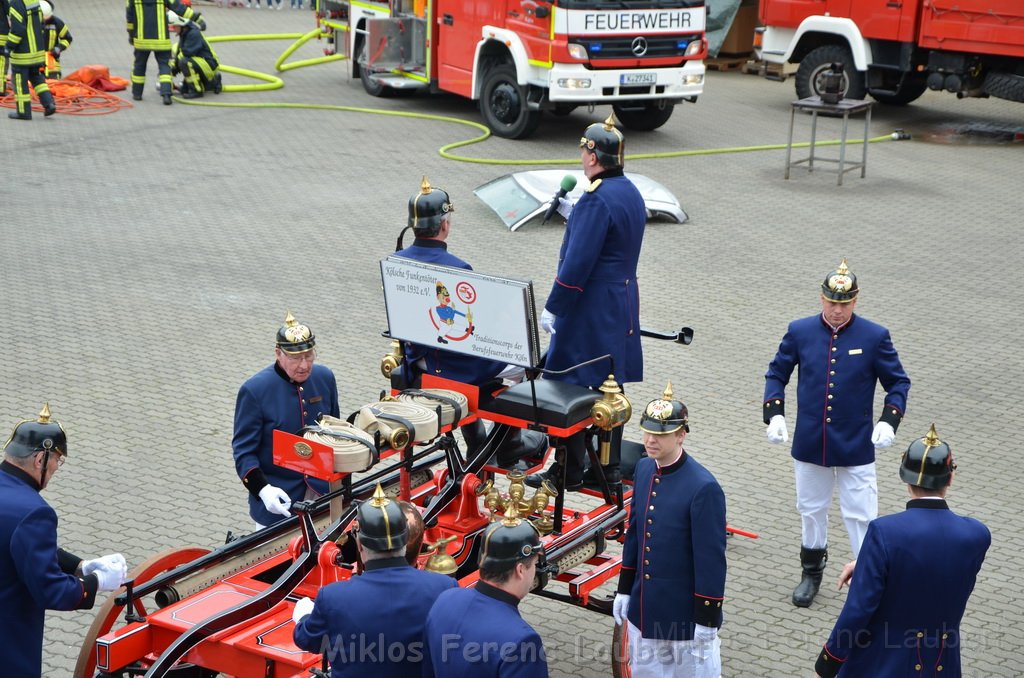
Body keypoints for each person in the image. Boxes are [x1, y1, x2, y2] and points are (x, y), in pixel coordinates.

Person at [763, 258, 910, 608]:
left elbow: (898, 382)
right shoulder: (800, 331)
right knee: (811, 509)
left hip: (856, 445)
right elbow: (776, 373)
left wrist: (889, 421)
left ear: (855, 302)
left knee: (861, 515)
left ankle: (866, 578)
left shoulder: (874, 336)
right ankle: (811, 574)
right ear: (821, 298)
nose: (837, 310)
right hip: (812, 442)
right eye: (832, 302)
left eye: (844, 304)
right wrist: (775, 414)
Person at [813, 425, 990, 678]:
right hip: (942, 665)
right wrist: (869, 564)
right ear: (950, 478)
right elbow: (936, 568)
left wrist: (827, 665)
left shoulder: (884, 532)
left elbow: (858, 611)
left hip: (882, 663)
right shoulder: (977, 534)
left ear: (905, 479)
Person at [527, 113, 646, 491]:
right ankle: (607, 469)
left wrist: (555, 305)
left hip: (589, 306)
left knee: (571, 386)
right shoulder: (628, 190)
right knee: (611, 386)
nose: (581, 158)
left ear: (593, 157)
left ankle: (568, 470)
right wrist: (575, 214)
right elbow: (611, 238)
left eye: (583, 152)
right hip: (621, 300)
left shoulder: (596, 199)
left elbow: (579, 262)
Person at [394, 176, 546, 468]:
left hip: (418, 361)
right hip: (456, 366)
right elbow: (471, 330)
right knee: (532, 363)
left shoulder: (396, 261)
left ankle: (477, 443)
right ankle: (508, 442)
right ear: (445, 224)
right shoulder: (458, 269)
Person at [0, 404, 129, 676]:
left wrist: (80, 565)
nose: (57, 467)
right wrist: (94, 583)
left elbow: (16, 544)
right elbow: (50, 590)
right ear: (39, 460)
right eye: (57, 460)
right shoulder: (35, 512)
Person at [612, 384, 727, 678]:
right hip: (645, 611)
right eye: (647, 432)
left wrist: (706, 618)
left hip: (684, 618)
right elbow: (635, 534)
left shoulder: (704, 487)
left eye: (660, 435)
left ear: (680, 435)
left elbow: (710, 560)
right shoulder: (643, 469)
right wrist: (625, 589)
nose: (651, 440)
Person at [292, 484, 456, 677]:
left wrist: (302, 617)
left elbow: (308, 640)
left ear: (359, 544)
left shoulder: (333, 598)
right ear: (405, 540)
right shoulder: (444, 588)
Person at [232, 311, 340, 526]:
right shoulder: (254, 391)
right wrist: (263, 490)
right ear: (278, 354)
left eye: (309, 355)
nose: (304, 365)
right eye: (295, 358)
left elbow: (334, 431)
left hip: (323, 496)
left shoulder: (324, 377)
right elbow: (244, 452)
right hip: (279, 502)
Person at [423, 512, 549, 677]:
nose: (534, 570)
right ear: (520, 570)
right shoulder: (522, 641)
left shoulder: (445, 600)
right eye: (533, 564)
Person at [126, 0, 201, 104]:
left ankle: (137, 93)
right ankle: (166, 95)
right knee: (165, 66)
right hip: (161, 40)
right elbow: (179, 8)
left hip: (141, 39)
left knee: (139, 65)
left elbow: (130, 18)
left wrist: (131, 35)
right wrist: (197, 19)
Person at [5, 0, 55, 119]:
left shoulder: (16, 4)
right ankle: (49, 104)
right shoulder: (32, 1)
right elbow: (41, 24)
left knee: (20, 83)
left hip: (23, 54)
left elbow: (18, 30)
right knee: (37, 79)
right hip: (37, 52)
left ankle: (23, 112)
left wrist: (8, 47)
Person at [168, 9, 221, 99]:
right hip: (200, 63)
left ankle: (197, 91)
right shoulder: (185, 33)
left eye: (175, 26)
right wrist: (169, 71)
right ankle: (213, 82)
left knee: (185, 62)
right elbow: (178, 54)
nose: (174, 29)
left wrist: (174, 68)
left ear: (182, 25)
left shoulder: (193, 34)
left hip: (209, 64)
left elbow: (186, 53)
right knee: (184, 89)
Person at [39, 0, 70, 79]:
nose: (45, 21)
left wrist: (58, 48)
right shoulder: (30, 22)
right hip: (35, 60)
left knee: (54, 83)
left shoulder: (57, 23)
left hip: (51, 60)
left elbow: (67, 38)